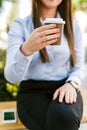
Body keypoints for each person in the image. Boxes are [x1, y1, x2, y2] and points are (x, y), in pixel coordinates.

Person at [4, 0, 84, 130]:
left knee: (65, 116)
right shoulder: (21, 25)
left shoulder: (73, 25)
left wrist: (72, 84)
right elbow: (11, 77)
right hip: (32, 91)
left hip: (64, 86)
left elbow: (79, 67)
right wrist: (27, 49)